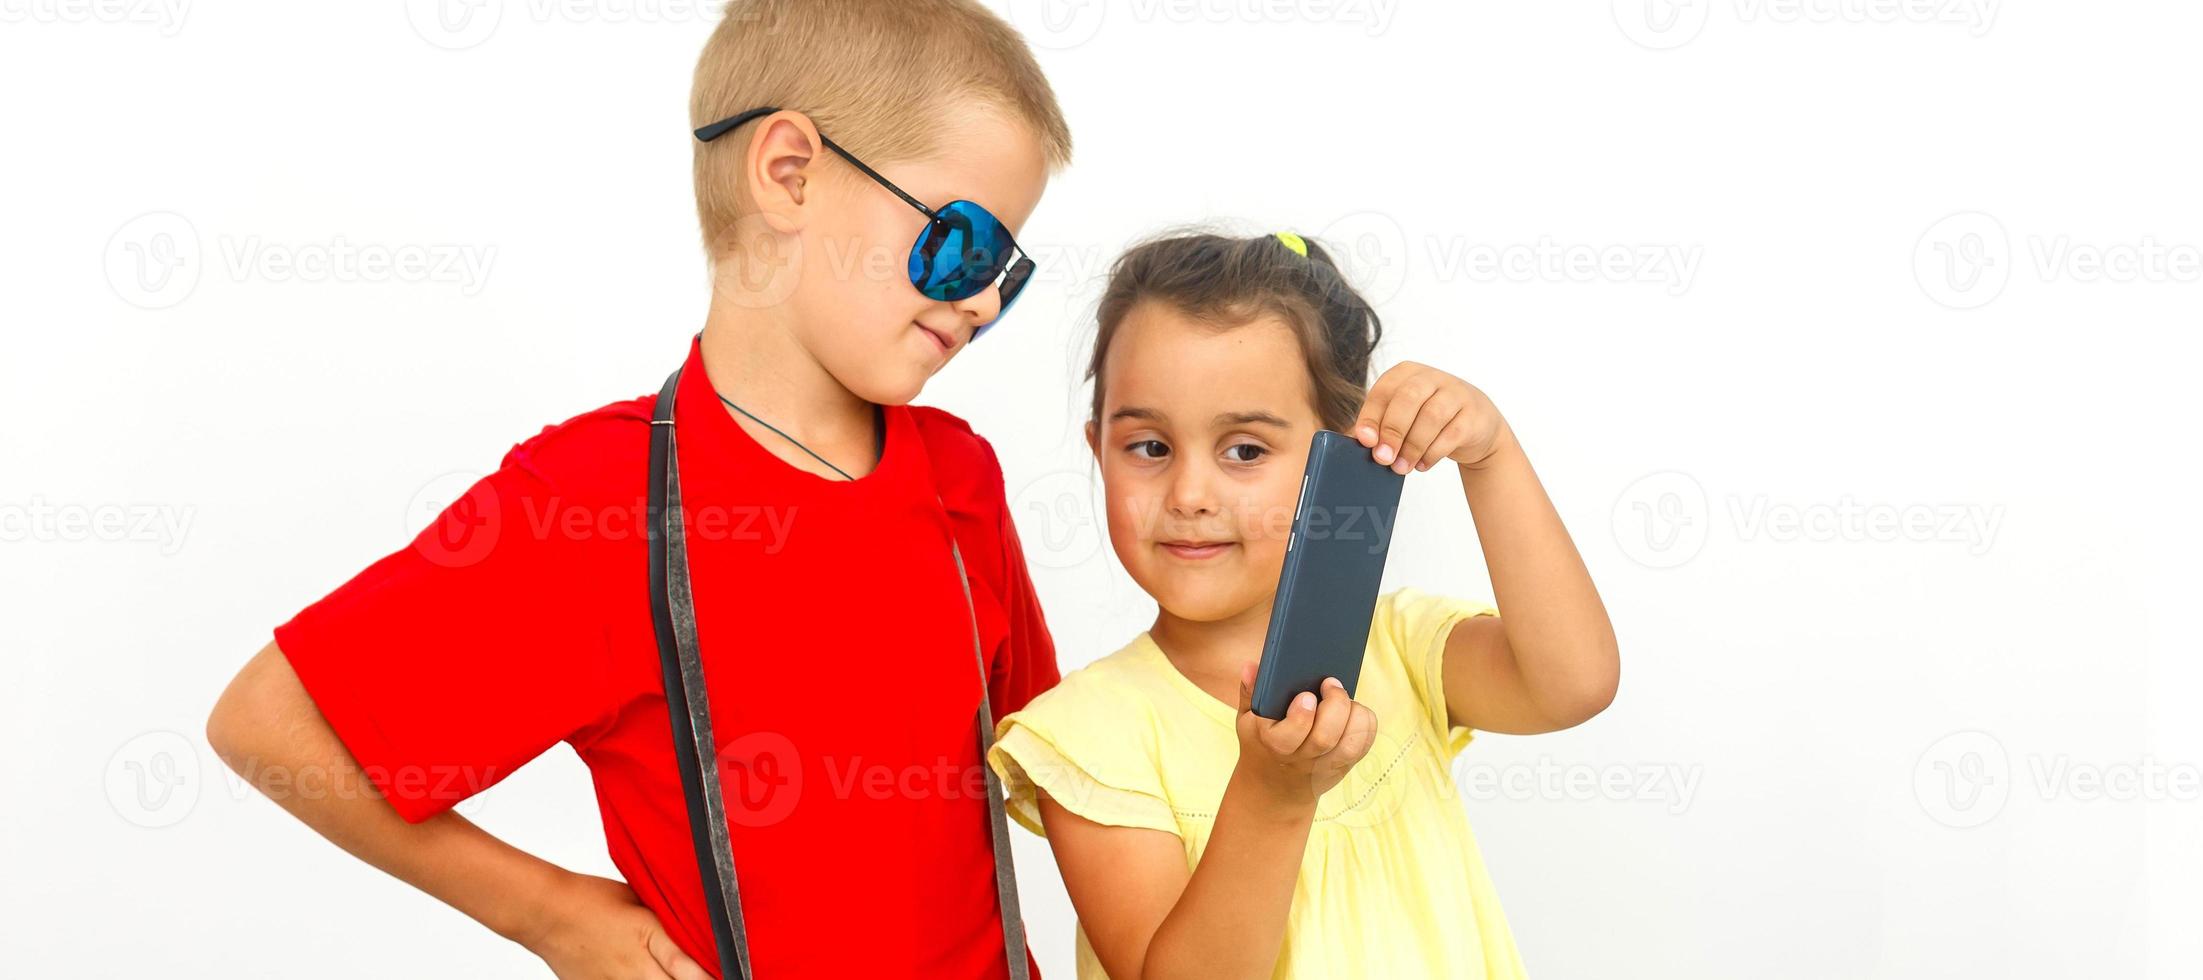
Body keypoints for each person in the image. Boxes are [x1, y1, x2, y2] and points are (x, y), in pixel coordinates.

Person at [203, 2, 1073, 975]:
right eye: (962, 243)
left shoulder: (958, 475)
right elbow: (266, 722)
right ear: (789, 173)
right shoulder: (598, 502)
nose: (984, 295)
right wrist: (548, 911)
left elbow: (1072, 771)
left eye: (1009, 268)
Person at [988, 231, 1624, 979]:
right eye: (1150, 448)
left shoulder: (1393, 647)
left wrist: (1490, 456)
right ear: (1098, 449)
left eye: (1245, 451)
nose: (1189, 496)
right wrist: (1272, 797)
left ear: (1340, 456)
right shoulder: (1086, 735)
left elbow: (1573, 684)